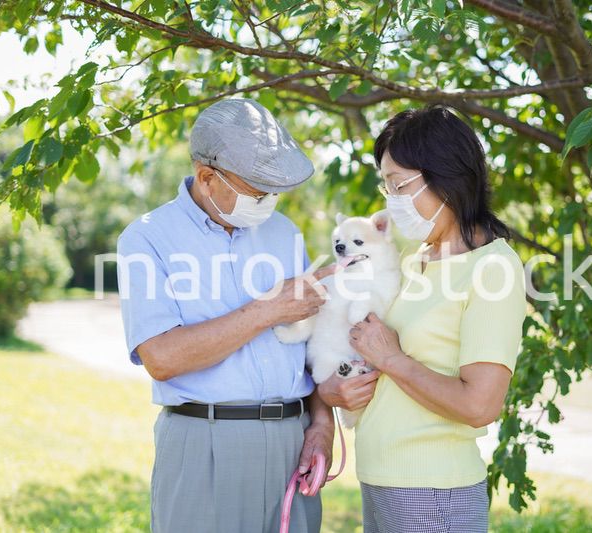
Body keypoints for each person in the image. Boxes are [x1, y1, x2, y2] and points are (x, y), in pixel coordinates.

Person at [116, 98, 335, 533]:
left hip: (293, 440)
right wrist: (269, 309)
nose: (268, 201)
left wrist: (322, 424)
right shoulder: (146, 238)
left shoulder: (285, 233)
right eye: (257, 191)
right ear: (206, 177)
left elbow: (314, 340)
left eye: (273, 191)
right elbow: (161, 357)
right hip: (205, 443)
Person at [320, 105, 527, 532]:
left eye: (400, 185)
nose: (392, 200)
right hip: (380, 479)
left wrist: (391, 359)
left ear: (447, 176)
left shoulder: (493, 268)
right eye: (387, 186)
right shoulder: (416, 260)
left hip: (432, 491)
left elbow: (480, 405)